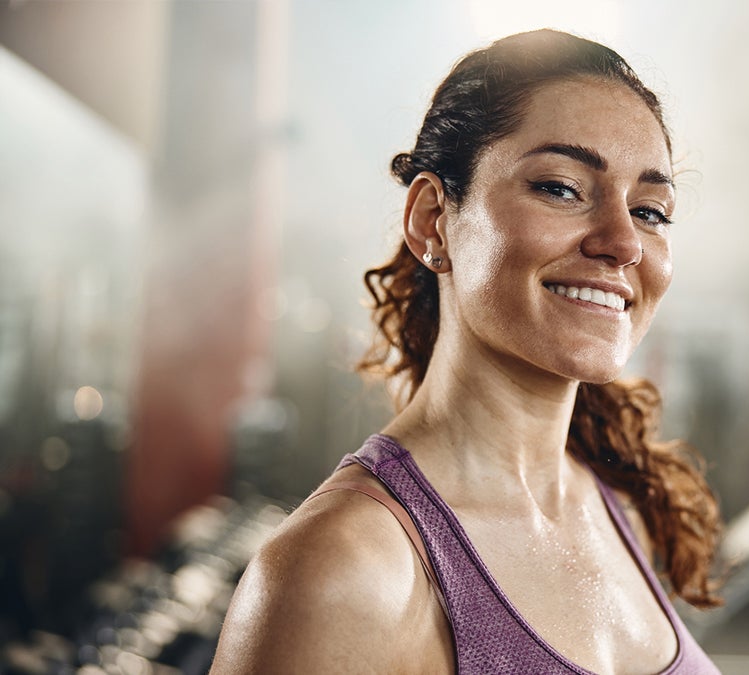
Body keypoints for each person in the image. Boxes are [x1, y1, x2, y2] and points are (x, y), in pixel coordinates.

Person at [211, 29, 722, 674]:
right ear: (432, 219)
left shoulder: (621, 511)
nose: (623, 242)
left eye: (651, 210)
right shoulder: (346, 570)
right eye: (561, 188)